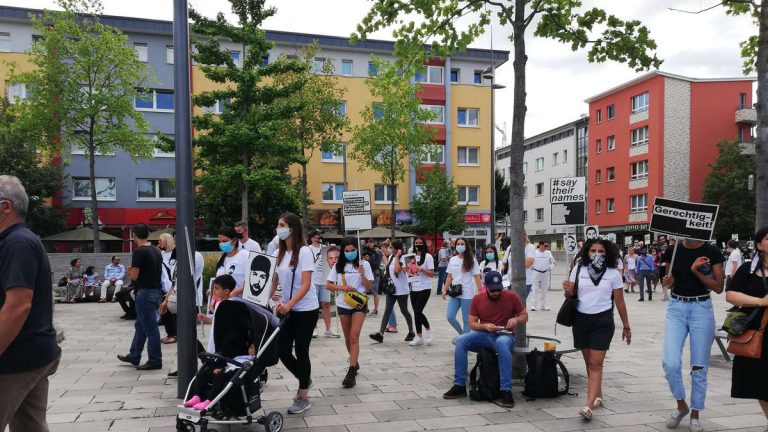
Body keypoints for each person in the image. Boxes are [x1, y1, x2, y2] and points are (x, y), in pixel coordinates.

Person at [0, 175, 61, 432]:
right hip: (32, 353)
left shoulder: (17, 243)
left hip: (16, 359)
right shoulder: (17, 241)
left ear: (5, 206)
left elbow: (18, 305)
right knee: (30, 427)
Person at [661, 237, 725, 432]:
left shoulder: (712, 251)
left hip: (701, 308)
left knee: (699, 365)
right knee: (670, 363)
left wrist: (695, 271)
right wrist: (668, 283)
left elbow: (719, 287)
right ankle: (682, 406)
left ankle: (696, 413)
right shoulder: (673, 250)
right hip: (676, 307)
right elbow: (669, 282)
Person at [562, 238, 631, 421]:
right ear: (587, 252)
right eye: (593, 251)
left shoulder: (613, 274)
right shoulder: (578, 269)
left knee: (596, 363)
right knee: (589, 362)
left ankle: (588, 405)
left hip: (603, 321)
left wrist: (626, 326)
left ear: (607, 253)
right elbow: (570, 294)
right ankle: (598, 395)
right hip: (581, 320)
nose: (597, 254)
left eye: (601, 251)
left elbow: (620, 301)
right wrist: (568, 290)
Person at [442, 271, 527, 408]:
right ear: (485, 286)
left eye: (499, 289)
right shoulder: (478, 299)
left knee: (502, 343)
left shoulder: (511, 296)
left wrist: (515, 319)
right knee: (461, 340)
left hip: (505, 336)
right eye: (493, 290)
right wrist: (485, 326)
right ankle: (459, 385)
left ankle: (506, 389)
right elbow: (472, 323)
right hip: (485, 335)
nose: (496, 292)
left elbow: (524, 315)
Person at [269, 212, 318, 414]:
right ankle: (305, 378)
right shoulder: (279, 253)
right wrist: (263, 299)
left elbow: (306, 285)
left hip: (306, 308)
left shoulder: (304, 252)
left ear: (293, 228)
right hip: (286, 308)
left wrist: (290, 304)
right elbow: (274, 280)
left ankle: (303, 395)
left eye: (282, 225)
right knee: (282, 350)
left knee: (302, 350)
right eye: (278, 224)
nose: (278, 228)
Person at [725, 226, 768, 427]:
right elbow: (731, 295)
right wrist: (760, 302)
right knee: (761, 384)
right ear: (759, 245)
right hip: (758, 333)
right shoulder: (748, 269)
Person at [326, 239, 373, 388]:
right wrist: (343, 287)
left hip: (359, 303)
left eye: (352, 250)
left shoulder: (364, 264)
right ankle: (354, 360)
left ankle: (351, 371)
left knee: (354, 336)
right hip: (343, 304)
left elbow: (369, 287)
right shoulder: (338, 266)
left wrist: (363, 275)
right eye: (346, 251)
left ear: (357, 250)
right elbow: (328, 285)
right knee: (347, 338)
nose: (349, 253)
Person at [118, 223, 164, 370]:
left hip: (144, 292)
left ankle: (155, 360)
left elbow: (135, 276)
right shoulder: (156, 251)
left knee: (150, 328)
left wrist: (130, 270)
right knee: (141, 325)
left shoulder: (139, 252)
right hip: (156, 291)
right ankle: (134, 355)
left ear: (135, 236)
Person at [370, 240, 415, 343]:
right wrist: (385, 257)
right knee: (387, 310)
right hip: (392, 289)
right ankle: (380, 334)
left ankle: (411, 331)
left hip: (402, 290)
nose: (389, 248)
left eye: (391, 247)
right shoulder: (391, 257)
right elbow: (388, 270)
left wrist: (398, 257)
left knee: (404, 310)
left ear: (397, 248)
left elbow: (397, 270)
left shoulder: (405, 258)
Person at [443, 238, 482, 340]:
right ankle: (462, 335)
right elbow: (449, 276)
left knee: (466, 320)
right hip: (455, 292)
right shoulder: (452, 259)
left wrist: (480, 291)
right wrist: (444, 290)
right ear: (455, 246)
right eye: (458, 244)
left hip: (467, 293)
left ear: (466, 246)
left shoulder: (472, 259)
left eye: (462, 244)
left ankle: (465, 341)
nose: (460, 246)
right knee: (450, 317)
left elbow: (477, 276)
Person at [308, 230, 338, 338]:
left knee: (326, 304)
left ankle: (328, 329)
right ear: (312, 238)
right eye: (317, 236)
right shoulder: (308, 249)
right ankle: (313, 328)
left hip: (325, 280)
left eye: (320, 236)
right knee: (314, 306)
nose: (319, 238)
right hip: (313, 281)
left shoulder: (325, 249)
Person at [409, 237, 434, 346]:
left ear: (423, 244)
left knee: (418, 311)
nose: (418, 244)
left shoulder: (428, 257)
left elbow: (432, 273)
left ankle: (428, 329)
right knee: (415, 312)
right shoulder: (411, 256)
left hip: (425, 287)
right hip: (414, 287)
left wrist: (422, 269)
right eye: (416, 243)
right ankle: (419, 336)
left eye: (420, 243)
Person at [214, 227, 250, 299]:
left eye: (224, 241)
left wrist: (236, 292)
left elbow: (251, 282)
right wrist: (213, 291)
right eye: (219, 241)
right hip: (223, 302)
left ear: (234, 241)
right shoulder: (221, 258)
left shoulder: (245, 256)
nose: (221, 244)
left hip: (240, 302)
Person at [158, 233, 178, 344]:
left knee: (170, 309)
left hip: (172, 285)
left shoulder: (174, 253)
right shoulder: (160, 253)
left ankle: (173, 334)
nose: (159, 242)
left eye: (161, 240)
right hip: (164, 285)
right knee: (164, 309)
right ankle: (170, 333)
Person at [530, 241, 555, 311]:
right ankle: (533, 305)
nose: (546, 247)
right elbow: (531, 261)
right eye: (545, 246)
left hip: (545, 273)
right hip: (536, 272)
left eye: (547, 246)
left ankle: (543, 305)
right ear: (540, 245)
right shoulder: (534, 252)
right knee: (535, 289)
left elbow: (552, 260)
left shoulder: (548, 253)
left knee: (544, 290)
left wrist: (551, 266)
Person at [362, 238, 383, 316]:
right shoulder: (364, 251)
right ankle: (365, 309)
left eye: (371, 242)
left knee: (375, 292)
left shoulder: (377, 252)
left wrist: (369, 260)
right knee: (364, 292)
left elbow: (377, 265)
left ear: (373, 243)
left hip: (374, 273)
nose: (369, 244)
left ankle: (376, 309)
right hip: (366, 274)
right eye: (368, 242)